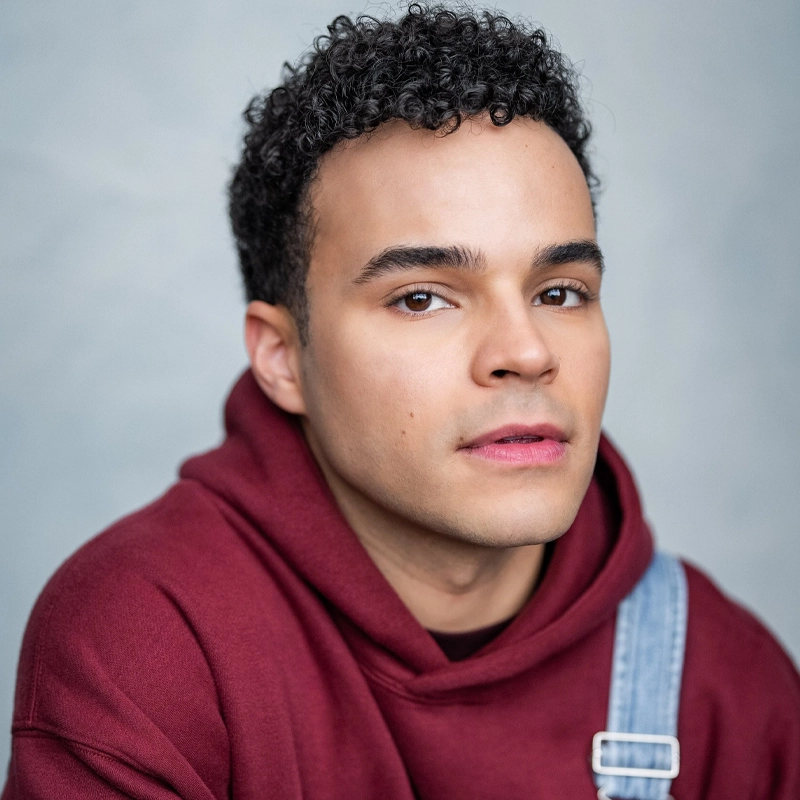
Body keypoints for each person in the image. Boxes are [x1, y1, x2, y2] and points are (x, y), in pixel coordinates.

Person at [3, 4, 799, 798]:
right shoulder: (149, 642)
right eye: (422, 299)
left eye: (560, 291)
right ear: (281, 359)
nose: (525, 352)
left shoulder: (729, 685)